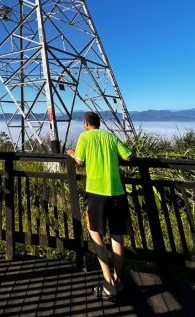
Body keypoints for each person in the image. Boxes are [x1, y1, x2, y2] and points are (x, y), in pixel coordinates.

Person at [67, 111, 132, 301]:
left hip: (95, 193)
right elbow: (127, 157)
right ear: (99, 123)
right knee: (117, 236)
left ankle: (108, 283)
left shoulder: (85, 137)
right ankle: (118, 280)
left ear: (86, 124)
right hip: (117, 193)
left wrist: (72, 154)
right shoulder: (111, 136)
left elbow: (79, 161)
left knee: (96, 235)